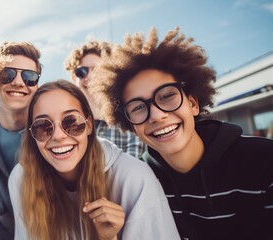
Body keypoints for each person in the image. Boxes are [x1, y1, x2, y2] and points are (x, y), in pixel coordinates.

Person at [90, 27, 273, 239]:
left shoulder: (264, 160)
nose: (157, 115)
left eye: (167, 96)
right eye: (138, 107)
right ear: (131, 126)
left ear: (193, 104)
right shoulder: (137, 182)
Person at [8, 80, 179, 240]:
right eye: (43, 127)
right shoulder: (22, 180)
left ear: (89, 125)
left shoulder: (134, 178)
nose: (59, 136)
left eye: (71, 122)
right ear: (32, 134)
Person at [0, 41, 42, 239]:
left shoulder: (51, 131)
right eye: (8, 74)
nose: (19, 82)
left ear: (36, 86)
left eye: (29, 77)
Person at [64, 40, 145, 157]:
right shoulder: (65, 123)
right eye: (82, 72)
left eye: (97, 69)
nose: (90, 77)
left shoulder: (128, 120)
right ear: (73, 78)